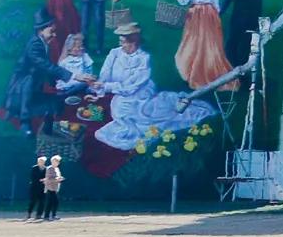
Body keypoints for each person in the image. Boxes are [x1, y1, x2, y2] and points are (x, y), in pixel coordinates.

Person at [93, 22, 217, 155]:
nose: (121, 45)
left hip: (141, 94)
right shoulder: (114, 54)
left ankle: (180, 108)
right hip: (122, 97)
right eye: (120, 41)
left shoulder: (143, 58)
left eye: (124, 42)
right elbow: (104, 76)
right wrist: (97, 87)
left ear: (134, 42)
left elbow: (131, 86)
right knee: (120, 110)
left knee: (149, 114)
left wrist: (107, 86)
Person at [173, 0, 230, 90]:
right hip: (210, 13)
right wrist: (216, 14)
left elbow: (184, 0)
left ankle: (190, 71)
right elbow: (216, 3)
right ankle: (208, 70)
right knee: (209, 43)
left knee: (192, 41)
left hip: (196, 13)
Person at [222, 0, 266, 78]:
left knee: (232, 43)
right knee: (246, 45)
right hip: (251, 17)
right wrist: (259, 20)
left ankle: (231, 70)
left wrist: (221, 10)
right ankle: (242, 73)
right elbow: (259, 2)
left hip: (238, 15)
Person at [24, 153, 50, 221]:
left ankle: (39, 215)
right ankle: (29, 214)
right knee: (33, 201)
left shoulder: (46, 169)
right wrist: (41, 180)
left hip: (42, 188)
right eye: (39, 161)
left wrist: (46, 180)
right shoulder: (34, 168)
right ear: (38, 162)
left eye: (42, 161)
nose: (41, 162)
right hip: (34, 188)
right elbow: (33, 178)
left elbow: (47, 177)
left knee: (42, 202)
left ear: (44, 162)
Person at [39, 155, 64, 221]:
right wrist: (56, 180)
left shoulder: (57, 168)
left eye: (58, 161)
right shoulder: (49, 168)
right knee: (54, 202)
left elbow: (57, 177)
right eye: (56, 161)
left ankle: (47, 216)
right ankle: (52, 215)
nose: (57, 162)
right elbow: (48, 179)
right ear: (52, 161)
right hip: (50, 188)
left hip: (55, 188)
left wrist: (60, 178)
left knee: (51, 202)